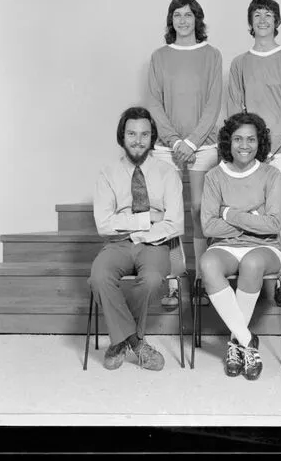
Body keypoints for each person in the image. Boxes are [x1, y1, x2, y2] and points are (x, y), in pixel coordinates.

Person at [89, 107, 184, 371]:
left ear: (152, 136)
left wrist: (137, 230)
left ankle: (119, 341)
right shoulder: (108, 173)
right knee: (99, 277)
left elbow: (175, 223)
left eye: (144, 134)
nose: (138, 140)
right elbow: (104, 225)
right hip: (118, 245)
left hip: (156, 245)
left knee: (153, 280)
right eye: (131, 133)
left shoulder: (168, 173)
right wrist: (147, 219)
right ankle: (136, 341)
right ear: (122, 136)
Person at [147, 0, 223, 309]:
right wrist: (175, 141)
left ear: (197, 19)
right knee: (170, 215)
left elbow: (214, 101)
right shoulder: (159, 56)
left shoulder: (212, 55)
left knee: (198, 212)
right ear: (171, 21)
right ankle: (175, 281)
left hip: (202, 145)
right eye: (177, 15)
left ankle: (204, 281)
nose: (183, 20)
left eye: (188, 14)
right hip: (166, 147)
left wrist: (191, 142)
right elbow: (154, 101)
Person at [199, 112, 281, 380]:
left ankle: (236, 344)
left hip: (266, 248)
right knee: (207, 264)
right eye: (238, 139)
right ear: (228, 141)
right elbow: (209, 228)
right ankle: (246, 342)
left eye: (251, 139)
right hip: (225, 246)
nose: (244, 145)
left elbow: (273, 224)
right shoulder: (214, 176)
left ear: (260, 142)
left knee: (252, 263)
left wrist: (229, 214)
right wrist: (252, 217)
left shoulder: (271, 174)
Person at [227, 0, 281, 308]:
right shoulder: (239, 63)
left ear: (277, 22)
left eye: (268, 15)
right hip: (248, 149)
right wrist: (251, 143)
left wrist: (270, 142)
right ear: (250, 23)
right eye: (257, 15)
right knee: (250, 210)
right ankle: (250, 275)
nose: (262, 20)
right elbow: (234, 108)